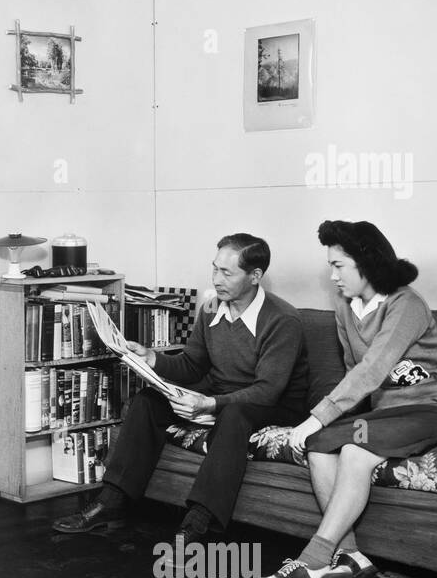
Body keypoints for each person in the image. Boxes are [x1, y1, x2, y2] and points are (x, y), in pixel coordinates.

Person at [53, 234, 311, 555]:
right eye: (214, 269)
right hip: (225, 395)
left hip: (274, 406)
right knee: (147, 402)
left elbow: (268, 390)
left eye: (226, 273)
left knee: (233, 415)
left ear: (255, 276)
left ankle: (199, 520)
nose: (216, 280)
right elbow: (192, 365)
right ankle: (111, 501)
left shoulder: (281, 319)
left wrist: (210, 403)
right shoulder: (212, 307)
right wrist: (151, 358)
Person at [257, 221, 437, 578]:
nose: (332, 275)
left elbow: (374, 367)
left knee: (356, 451)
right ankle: (353, 556)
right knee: (319, 445)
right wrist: (325, 423)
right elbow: (353, 372)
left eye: (339, 266)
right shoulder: (344, 306)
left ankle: (313, 560)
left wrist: (316, 417)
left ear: (366, 263)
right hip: (389, 414)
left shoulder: (407, 304)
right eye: (331, 265)